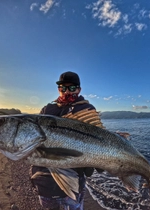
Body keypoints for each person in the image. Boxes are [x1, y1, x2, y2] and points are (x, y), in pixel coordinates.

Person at [30, 71, 102, 210]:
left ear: (79, 89)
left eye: (72, 88)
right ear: (58, 89)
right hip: (45, 180)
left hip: (74, 178)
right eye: (63, 88)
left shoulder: (87, 109)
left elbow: (97, 139)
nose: (67, 91)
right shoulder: (47, 109)